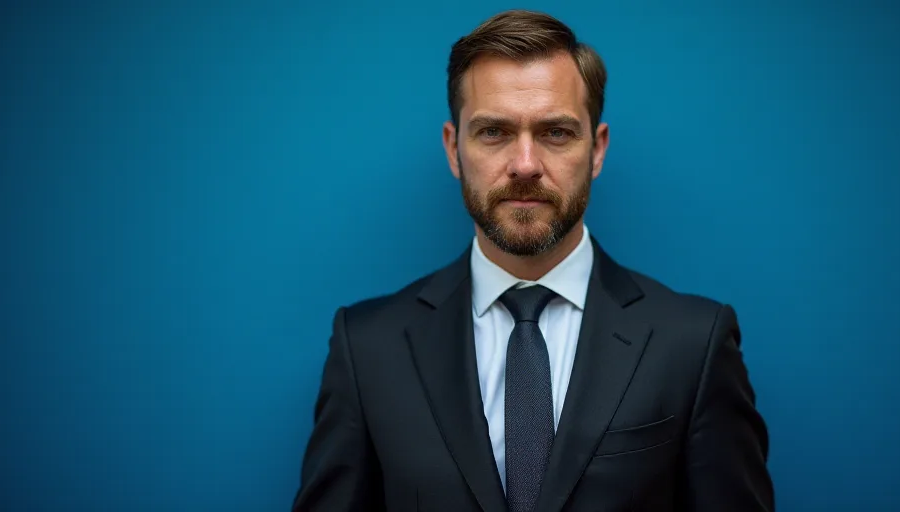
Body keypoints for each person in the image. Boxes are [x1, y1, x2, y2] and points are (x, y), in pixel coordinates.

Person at [292, 9, 773, 512]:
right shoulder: (369, 348)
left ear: (598, 149)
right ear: (455, 149)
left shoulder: (694, 343)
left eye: (556, 133)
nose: (525, 165)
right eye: (494, 132)